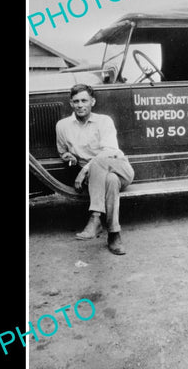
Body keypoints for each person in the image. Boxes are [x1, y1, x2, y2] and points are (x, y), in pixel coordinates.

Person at [55, 83, 134, 255]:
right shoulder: (63, 126)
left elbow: (109, 152)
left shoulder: (104, 121)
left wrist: (83, 171)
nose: (80, 105)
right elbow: (62, 150)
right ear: (71, 103)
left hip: (119, 167)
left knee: (101, 162)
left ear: (93, 102)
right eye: (76, 101)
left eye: (84, 100)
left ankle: (96, 217)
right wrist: (69, 157)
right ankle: (114, 234)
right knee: (110, 181)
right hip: (100, 178)